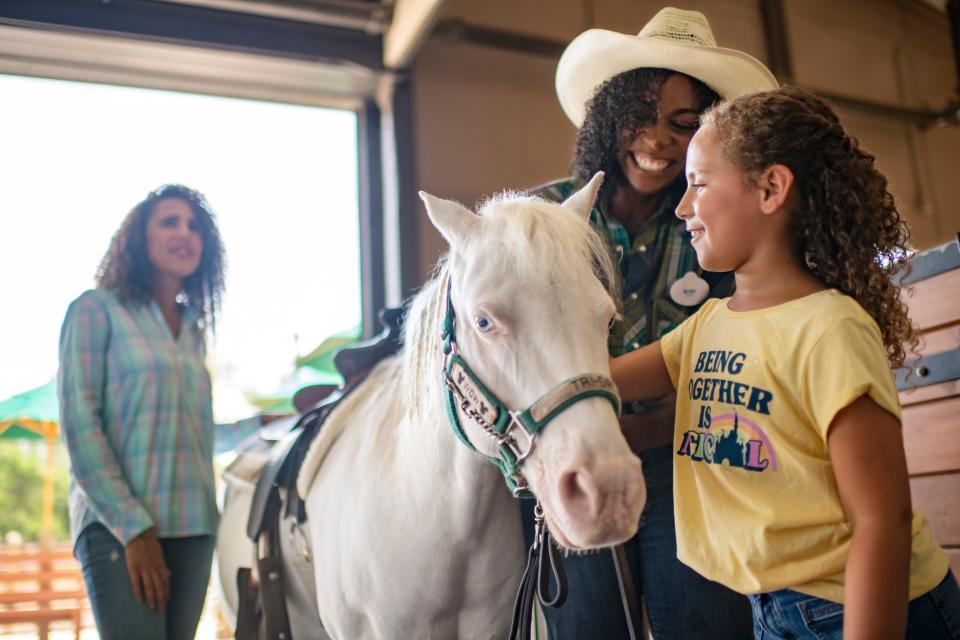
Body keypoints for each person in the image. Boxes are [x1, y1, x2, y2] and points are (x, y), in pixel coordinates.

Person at [610, 87, 960, 639]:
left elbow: (881, 523)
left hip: (863, 608)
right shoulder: (705, 326)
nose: (682, 208)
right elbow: (596, 385)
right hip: (773, 609)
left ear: (771, 188)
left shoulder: (829, 329)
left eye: (698, 184)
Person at [523, 7, 777, 638]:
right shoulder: (545, 219)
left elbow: (732, 354)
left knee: (704, 623)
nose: (660, 141)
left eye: (684, 125)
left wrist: (653, 428)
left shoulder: (716, 227)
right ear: (608, 117)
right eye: (640, 116)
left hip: (687, 461)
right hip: (574, 462)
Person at [58, 184, 226, 640]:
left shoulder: (193, 331)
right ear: (139, 238)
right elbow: (79, 426)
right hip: (117, 529)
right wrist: (134, 530)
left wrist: (268, 426)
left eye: (194, 226)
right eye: (169, 221)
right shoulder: (94, 311)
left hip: (194, 527)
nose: (185, 233)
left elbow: (200, 434)